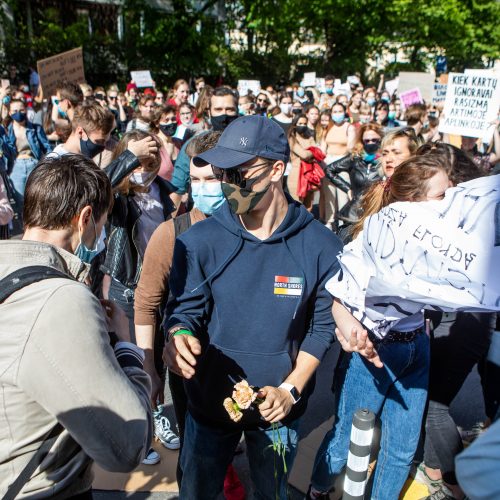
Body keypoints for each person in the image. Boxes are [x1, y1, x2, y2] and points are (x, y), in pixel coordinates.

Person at [163, 115, 343, 499]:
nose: (229, 184)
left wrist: (291, 390)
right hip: (209, 405)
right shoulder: (199, 241)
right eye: (222, 173)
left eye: (239, 172)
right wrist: (177, 336)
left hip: (279, 411)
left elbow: (322, 328)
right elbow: (183, 310)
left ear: (277, 169)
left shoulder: (321, 246)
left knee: (271, 493)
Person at [0, 155, 153, 499]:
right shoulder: (61, 299)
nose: (101, 236)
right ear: (85, 219)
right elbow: (126, 447)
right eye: (102, 224)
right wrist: (127, 347)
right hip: (40, 487)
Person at [308, 155, 454, 500]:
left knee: (401, 450)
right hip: (375, 353)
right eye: (441, 196)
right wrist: (351, 331)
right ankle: (317, 490)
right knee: (346, 439)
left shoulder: (444, 243)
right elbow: (338, 300)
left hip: (418, 347)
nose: (449, 203)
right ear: (412, 202)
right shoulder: (370, 241)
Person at [135, 131, 223, 480]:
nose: (203, 188)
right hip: (188, 368)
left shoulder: (254, 230)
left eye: (213, 179)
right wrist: (149, 369)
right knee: (196, 455)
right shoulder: (171, 233)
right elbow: (146, 303)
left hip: (240, 365)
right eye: (196, 179)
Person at [169, 87, 238, 210]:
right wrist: (171, 225)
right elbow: (177, 189)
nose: (224, 114)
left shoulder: (248, 142)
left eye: (229, 109)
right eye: (218, 109)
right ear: (210, 112)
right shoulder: (195, 144)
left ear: (237, 111)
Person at [324, 123, 384, 229]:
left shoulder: (386, 160)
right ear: (362, 141)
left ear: (381, 139)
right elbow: (329, 170)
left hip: (378, 212)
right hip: (355, 214)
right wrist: (347, 188)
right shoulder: (355, 158)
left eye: (374, 140)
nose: (371, 143)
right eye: (367, 140)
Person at [7, 98, 52, 200]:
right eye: (15, 111)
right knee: (20, 202)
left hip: (33, 164)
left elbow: (47, 147)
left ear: (26, 110)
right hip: (15, 167)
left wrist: (48, 164)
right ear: (9, 113)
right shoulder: (6, 131)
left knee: (36, 199)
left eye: (21, 110)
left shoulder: (36, 128)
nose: (18, 113)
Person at [321, 102, 356, 229]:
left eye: (340, 111)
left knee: (343, 194)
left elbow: (351, 148)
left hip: (342, 165)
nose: (337, 114)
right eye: (334, 112)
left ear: (344, 112)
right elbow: (323, 146)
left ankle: (342, 221)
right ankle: (329, 222)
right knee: (329, 194)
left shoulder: (349, 127)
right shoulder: (328, 127)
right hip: (328, 163)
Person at [287, 113, 318, 208]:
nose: (303, 126)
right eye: (300, 123)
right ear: (295, 124)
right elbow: (304, 154)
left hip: (309, 174)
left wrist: (312, 152)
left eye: (305, 123)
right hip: (297, 175)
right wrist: (312, 152)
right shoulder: (292, 138)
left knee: (309, 205)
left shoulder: (309, 137)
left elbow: (317, 151)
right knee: (298, 204)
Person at [152, 104, 180, 181]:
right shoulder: (151, 144)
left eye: (173, 119)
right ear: (157, 123)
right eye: (166, 120)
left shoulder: (179, 143)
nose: (171, 123)